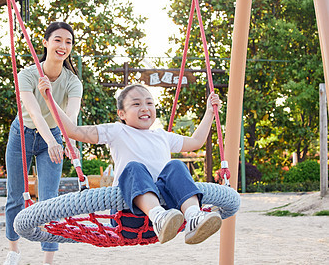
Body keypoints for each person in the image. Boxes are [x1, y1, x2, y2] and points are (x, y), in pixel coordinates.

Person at [38, 82, 223, 245]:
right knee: (134, 168)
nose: (145, 108)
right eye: (136, 104)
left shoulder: (162, 136)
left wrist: (209, 112)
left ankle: (193, 217)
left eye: (149, 103)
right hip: (128, 216)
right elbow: (73, 131)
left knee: (176, 166)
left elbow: (196, 142)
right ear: (122, 114)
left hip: (172, 216)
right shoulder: (117, 131)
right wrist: (49, 99)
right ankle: (157, 216)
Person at [4, 22, 83, 265]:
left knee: (49, 199)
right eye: (58, 40)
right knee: (15, 195)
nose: (63, 46)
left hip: (54, 136)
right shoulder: (27, 75)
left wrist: (69, 144)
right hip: (22, 135)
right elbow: (34, 113)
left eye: (68, 42)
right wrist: (51, 142)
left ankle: (48, 259)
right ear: (46, 42)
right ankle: (13, 250)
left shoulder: (73, 82)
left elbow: (68, 120)